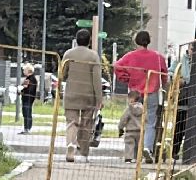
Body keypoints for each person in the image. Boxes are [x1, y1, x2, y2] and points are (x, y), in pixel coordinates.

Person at [113, 31, 168, 161]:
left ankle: (133, 153)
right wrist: (164, 85)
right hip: (152, 92)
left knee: (134, 121)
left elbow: (117, 66)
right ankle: (147, 148)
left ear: (136, 41)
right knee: (150, 122)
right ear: (148, 41)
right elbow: (164, 75)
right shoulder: (158, 57)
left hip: (135, 93)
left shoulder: (130, 56)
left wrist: (125, 78)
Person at [60, 28, 105, 162]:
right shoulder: (93, 56)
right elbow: (97, 79)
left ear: (76, 40)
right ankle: (84, 152)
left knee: (71, 122)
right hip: (88, 95)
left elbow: (62, 74)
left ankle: (70, 145)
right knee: (86, 124)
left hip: (71, 93)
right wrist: (99, 99)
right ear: (89, 41)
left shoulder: (68, 54)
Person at [18, 63, 41, 133]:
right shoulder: (28, 79)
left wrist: (22, 89)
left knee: (27, 113)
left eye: (24, 70)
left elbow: (28, 89)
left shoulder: (32, 79)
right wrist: (20, 90)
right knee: (25, 113)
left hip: (28, 98)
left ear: (28, 71)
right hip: (26, 98)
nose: (23, 71)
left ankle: (27, 128)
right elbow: (24, 87)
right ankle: (26, 128)